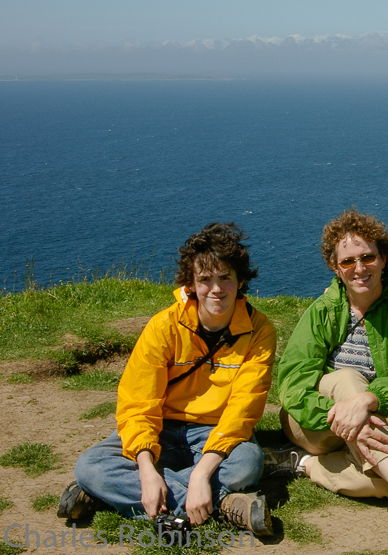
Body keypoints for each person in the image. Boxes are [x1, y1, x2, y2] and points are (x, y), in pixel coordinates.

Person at [57, 223, 277, 536]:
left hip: (213, 433)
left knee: (247, 463)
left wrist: (202, 473)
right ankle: (224, 505)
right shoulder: (164, 327)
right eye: (205, 279)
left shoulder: (260, 331)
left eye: (225, 277)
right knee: (90, 466)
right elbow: (138, 403)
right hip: (161, 426)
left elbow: (243, 411)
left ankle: (111, 494)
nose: (216, 289)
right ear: (191, 284)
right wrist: (146, 471)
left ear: (240, 281)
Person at [270, 208, 388, 547]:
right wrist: (343, 413)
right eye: (348, 261)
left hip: (376, 427)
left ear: (383, 259)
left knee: (383, 484)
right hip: (312, 423)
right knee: (346, 380)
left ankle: (307, 465)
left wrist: (367, 402)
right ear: (335, 266)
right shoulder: (323, 312)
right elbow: (293, 383)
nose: (359, 268)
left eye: (368, 257)